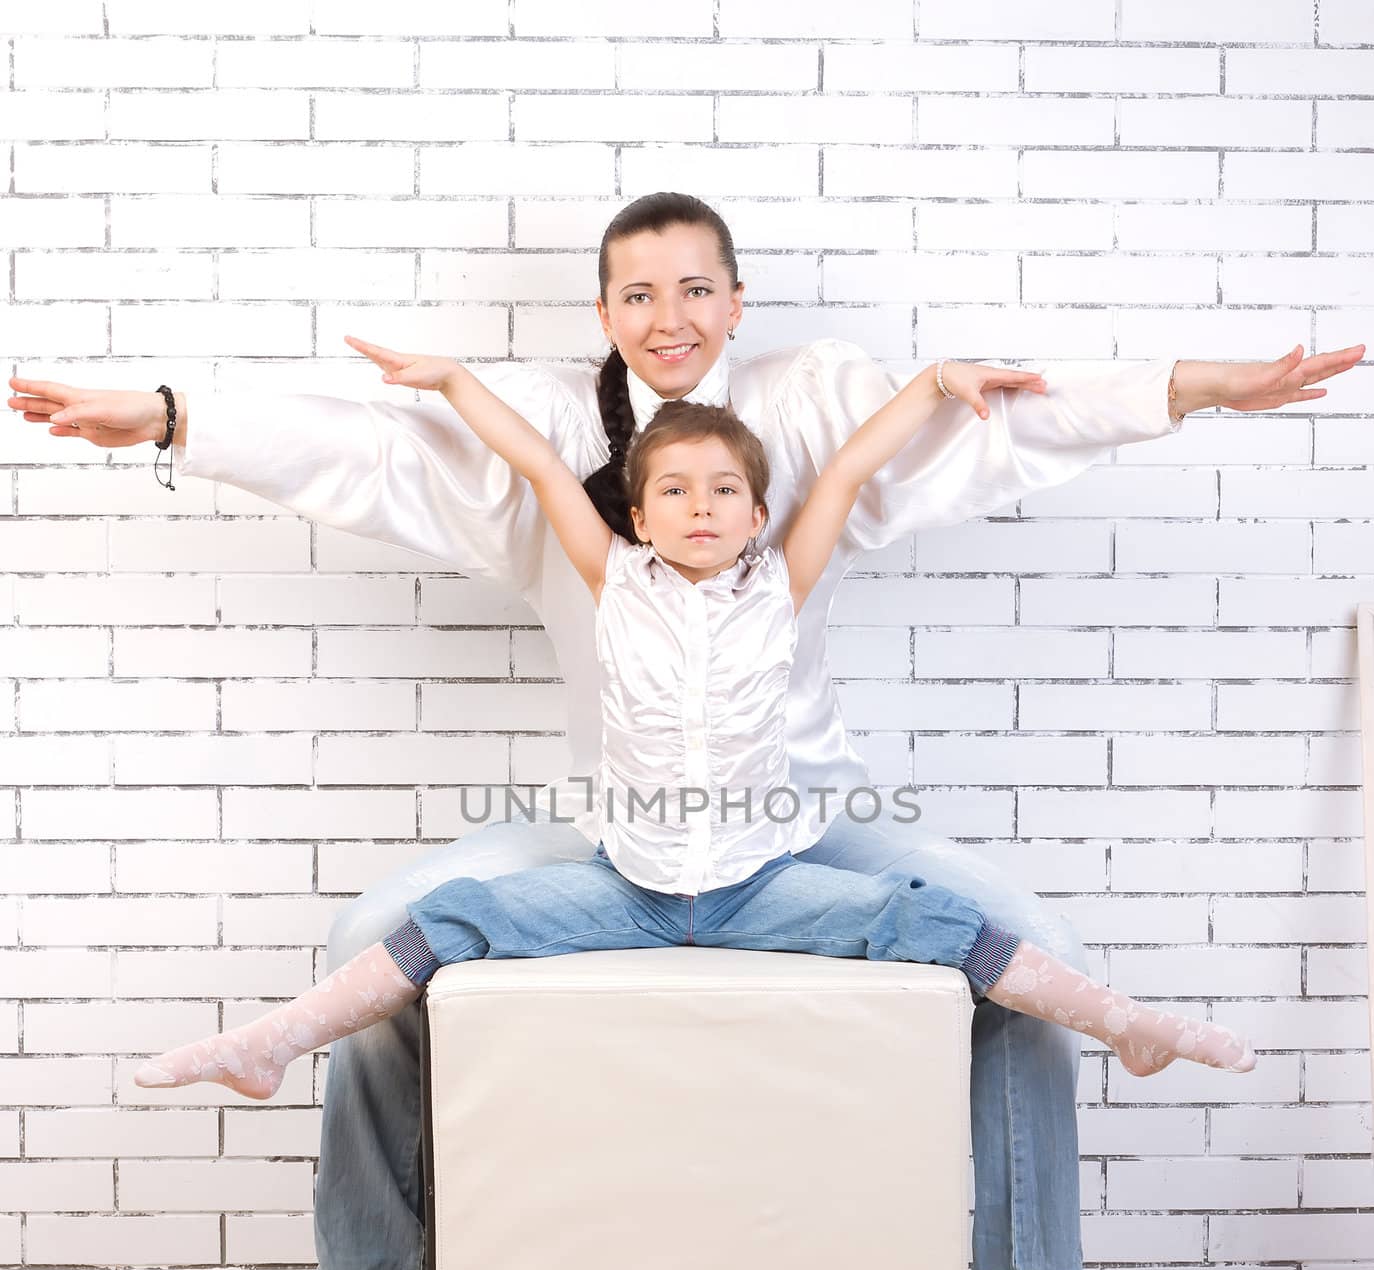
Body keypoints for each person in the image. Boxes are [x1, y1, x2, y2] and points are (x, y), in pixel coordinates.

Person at [8, 193, 1361, 1270]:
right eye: (638, 293)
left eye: (696, 289)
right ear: (603, 312)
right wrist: (179, 417)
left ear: (735, 301)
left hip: (803, 825)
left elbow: (978, 428)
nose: (669, 317)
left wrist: (1191, 390)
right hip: (615, 832)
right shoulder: (546, 425)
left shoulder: (805, 408)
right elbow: (368, 448)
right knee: (379, 931)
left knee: (1020, 938)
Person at [133, 359, 1255, 1192]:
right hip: (631, 887)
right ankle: (273, 1041)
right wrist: (452, 381)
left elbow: (858, 465)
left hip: (760, 888)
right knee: (462, 914)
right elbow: (530, 459)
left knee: (935, 921)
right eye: (674, 491)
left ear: (759, 515)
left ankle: (1127, 1023)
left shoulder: (782, 582)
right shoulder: (613, 578)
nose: (701, 508)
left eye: (724, 492)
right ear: (638, 512)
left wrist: (931, 384)